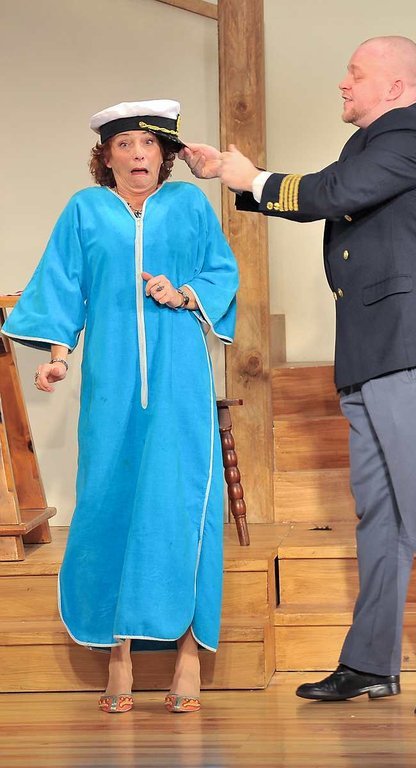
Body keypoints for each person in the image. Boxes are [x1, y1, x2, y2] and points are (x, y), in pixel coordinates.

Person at [179, 36, 416, 717]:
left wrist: (251, 178)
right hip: (377, 349)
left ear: (395, 86)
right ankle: (370, 664)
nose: (343, 84)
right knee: (381, 513)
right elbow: (332, 191)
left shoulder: (413, 132)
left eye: (355, 74)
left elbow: (332, 193)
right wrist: (237, 177)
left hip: (415, 346)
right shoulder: (377, 142)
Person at [2, 99, 239, 714]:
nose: (138, 154)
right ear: (105, 156)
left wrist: (184, 294)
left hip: (179, 377)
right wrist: (58, 355)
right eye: (124, 144)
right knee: (110, 502)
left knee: (180, 502)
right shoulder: (85, 210)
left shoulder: (189, 205)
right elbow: (63, 286)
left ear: (165, 154)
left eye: (148, 143)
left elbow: (221, 271)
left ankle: (188, 653)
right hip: (110, 383)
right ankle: (119, 654)